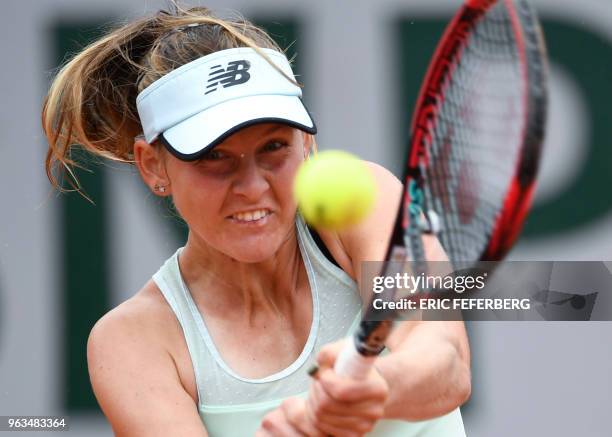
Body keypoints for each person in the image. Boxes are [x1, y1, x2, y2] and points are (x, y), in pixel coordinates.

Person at [42, 5, 471, 437]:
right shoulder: (132, 344)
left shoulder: (365, 203)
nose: (251, 186)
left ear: (306, 142)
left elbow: (446, 361)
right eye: (213, 156)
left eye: (273, 146)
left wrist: (377, 386)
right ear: (152, 165)